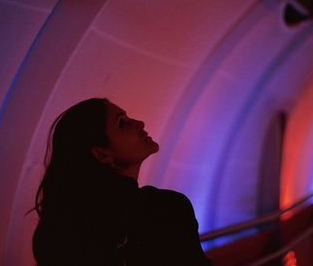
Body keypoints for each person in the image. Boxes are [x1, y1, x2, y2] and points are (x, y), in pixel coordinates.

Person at [32, 98, 211, 266]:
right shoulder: (165, 209)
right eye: (122, 123)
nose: (139, 123)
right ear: (102, 153)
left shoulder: (56, 231)